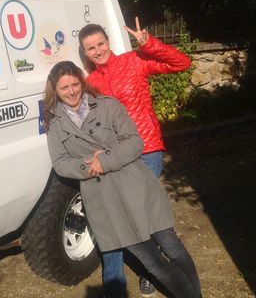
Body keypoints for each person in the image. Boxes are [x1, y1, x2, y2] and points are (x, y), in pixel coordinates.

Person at [44, 61, 201, 298]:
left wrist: (104, 160)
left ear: (82, 82)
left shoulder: (108, 106)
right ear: (55, 90)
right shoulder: (54, 124)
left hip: (135, 185)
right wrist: (89, 163)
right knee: (152, 261)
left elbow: (134, 142)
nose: (72, 91)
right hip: (104, 199)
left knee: (172, 246)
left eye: (75, 84)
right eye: (64, 87)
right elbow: (60, 163)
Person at [79, 18, 191, 297]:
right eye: (90, 48)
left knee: (143, 216)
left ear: (109, 43)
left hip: (147, 149)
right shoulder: (91, 82)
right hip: (116, 158)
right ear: (85, 53)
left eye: (100, 44)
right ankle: (117, 283)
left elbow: (181, 63)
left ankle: (150, 272)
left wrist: (149, 43)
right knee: (118, 217)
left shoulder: (134, 61)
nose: (97, 51)